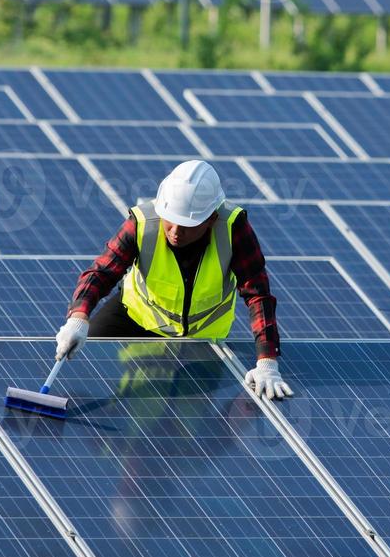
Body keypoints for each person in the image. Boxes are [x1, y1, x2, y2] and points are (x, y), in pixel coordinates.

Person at [54, 160, 293, 400]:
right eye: (170, 220)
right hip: (135, 316)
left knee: (182, 418)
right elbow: (102, 272)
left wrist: (267, 361)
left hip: (201, 338)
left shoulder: (233, 228)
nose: (176, 232)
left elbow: (258, 293)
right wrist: (79, 317)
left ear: (211, 218)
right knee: (82, 357)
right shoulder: (143, 222)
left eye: (188, 225)